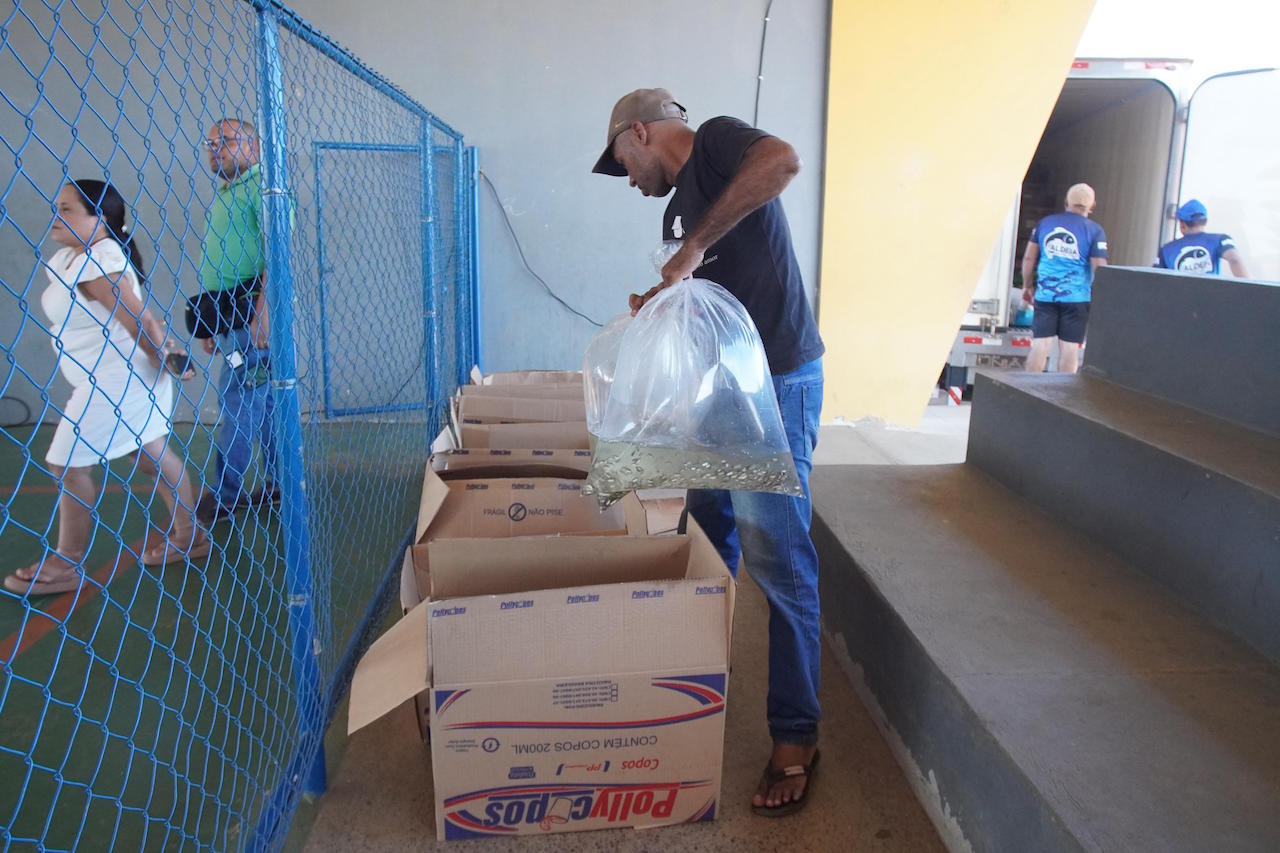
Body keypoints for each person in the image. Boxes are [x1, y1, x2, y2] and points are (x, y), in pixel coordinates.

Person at [593, 88, 826, 816]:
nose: (628, 179)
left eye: (623, 163)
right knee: (709, 535)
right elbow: (701, 297)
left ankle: (796, 734)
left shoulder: (721, 143)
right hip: (723, 397)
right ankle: (696, 683)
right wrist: (657, 306)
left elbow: (783, 162)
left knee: (777, 554)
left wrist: (694, 247)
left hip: (776, 386)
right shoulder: (672, 212)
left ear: (642, 132)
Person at [4, 180, 206, 595]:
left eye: (68, 210)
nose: (56, 217)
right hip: (106, 376)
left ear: (100, 220)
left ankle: (67, 562)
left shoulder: (99, 260)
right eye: (56, 208)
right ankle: (190, 536)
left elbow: (141, 320)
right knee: (149, 455)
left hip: (117, 379)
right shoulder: (69, 257)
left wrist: (163, 355)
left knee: (67, 463)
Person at [192, 118, 278, 525]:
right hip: (231, 317)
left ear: (254, 147)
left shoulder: (263, 191)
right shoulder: (229, 192)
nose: (215, 148)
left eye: (225, 141)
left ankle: (225, 496)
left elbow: (278, 256)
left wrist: (262, 315)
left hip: (252, 320)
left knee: (240, 400)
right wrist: (212, 323)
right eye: (210, 142)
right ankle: (278, 482)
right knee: (265, 402)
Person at [1020, 183, 1108, 374]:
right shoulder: (1094, 230)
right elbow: (1099, 267)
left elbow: (1028, 258)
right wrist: (1101, 296)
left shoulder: (1045, 223)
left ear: (1066, 201)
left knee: (1041, 344)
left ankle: (1028, 389)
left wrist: (1027, 286)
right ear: (1092, 206)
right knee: (1069, 348)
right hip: (1077, 299)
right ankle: (1064, 396)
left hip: (1046, 296)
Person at [1155, 199, 1251, 278]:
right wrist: (1251, 291)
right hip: (1211, 298)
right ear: (1205, 221)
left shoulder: (1166, 250)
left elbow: (1154, 278)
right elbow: (1235, 260)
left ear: (1182, 224)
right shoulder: (1220, 240)